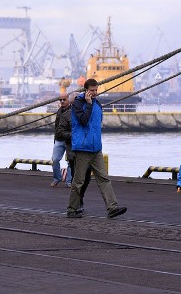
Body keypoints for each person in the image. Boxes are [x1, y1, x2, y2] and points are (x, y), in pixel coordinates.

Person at [66, 78, 127, 219]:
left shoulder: (97, 104)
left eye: (96, 90)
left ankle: (112, 207)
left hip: (96, 149)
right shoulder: (78, 103)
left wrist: (91, 103)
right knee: (79, 181)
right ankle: (72, 208)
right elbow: (83, 120)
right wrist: (88, 104)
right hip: (83, 148)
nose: (94, 93)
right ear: (86, 90)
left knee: (104, 178)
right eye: (92, 90)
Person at [51, 93, 72, 187]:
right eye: (61, 100)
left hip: (69, 140)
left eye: (64, 99)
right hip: (59, 139)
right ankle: (57, 178)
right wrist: (55, 139)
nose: (62, 101)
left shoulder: (73, 111)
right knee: (55, 159)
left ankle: (69, 181)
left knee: (70, 161)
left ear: (68, 100)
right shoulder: (59, 111)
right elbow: (57, 127)